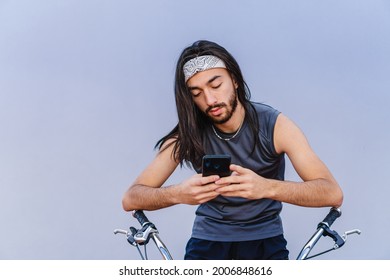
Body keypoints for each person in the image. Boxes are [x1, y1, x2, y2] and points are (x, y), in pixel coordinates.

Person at [122, 40, 343, 260]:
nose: (210, 100)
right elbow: (131, 198)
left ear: (235, 80)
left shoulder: (275, 126)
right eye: (197, 93)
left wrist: (267, 187)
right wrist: (178, 194)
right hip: (207, 243)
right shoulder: (188, 134)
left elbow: (332, 192)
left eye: (216, 85)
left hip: (266, 243)